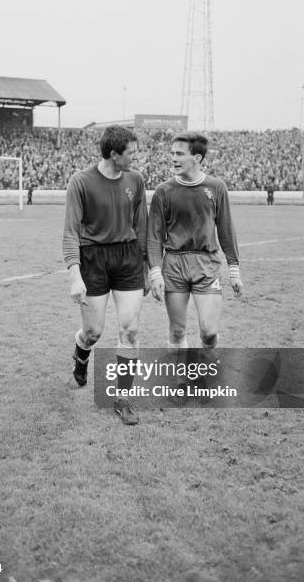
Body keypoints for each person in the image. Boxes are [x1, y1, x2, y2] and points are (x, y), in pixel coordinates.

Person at [63, 126, 148, 425]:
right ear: (114, 154)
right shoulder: (81, 182)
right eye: (132, 153)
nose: (136, 158)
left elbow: (142, 227)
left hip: (127, 258)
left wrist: (148, 267)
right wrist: (75, 275)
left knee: (130, 329)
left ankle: (123, 399)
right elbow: (71, 232)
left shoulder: (136, 180)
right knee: (93, 332)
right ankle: (81, 351)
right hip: (93, 260)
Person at [147, 131, 243, 356]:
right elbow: (154, 236)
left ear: (197, 159)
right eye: (172, 153)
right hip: (174, 264)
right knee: (177, 331)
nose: (173, 158)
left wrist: (234, 270)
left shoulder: (216, 187)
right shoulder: (164, 191)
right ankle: (183, 380)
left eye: (179, 154)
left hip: (206, 264)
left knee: (209, 332)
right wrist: (155, 272)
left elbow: (226, 230)